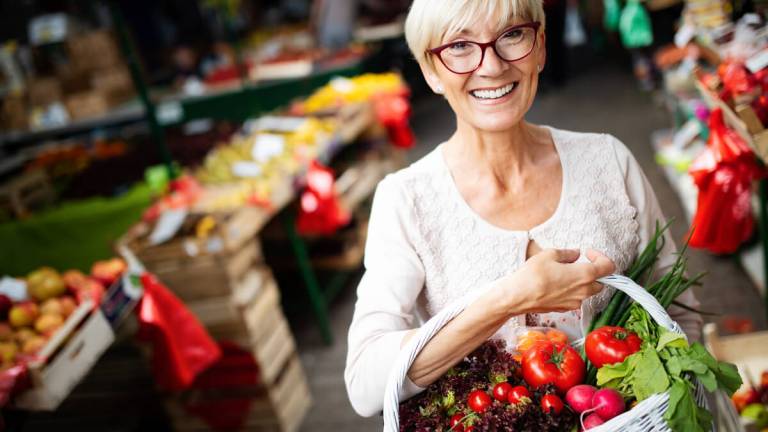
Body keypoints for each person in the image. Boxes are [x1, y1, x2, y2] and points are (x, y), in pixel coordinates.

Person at [344, 0, 702, 418]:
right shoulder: (406, 200)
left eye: (512, 35)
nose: (492, 66)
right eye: (459, 46)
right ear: (430, 71)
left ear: (541, 47)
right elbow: (365, 385)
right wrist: (509, 299)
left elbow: (681, 317)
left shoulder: (608, 161)